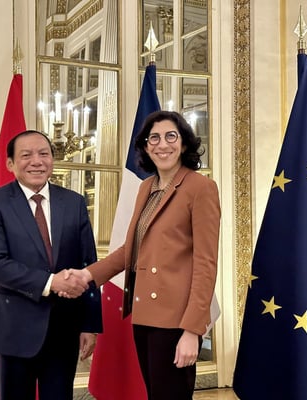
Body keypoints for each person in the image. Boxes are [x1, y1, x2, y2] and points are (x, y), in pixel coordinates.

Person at [66, 110, 221, 400]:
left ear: (184, 143)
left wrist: (192, 330)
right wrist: (87, 275)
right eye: (154, 138)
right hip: (144, 315)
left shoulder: (201, 188)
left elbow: (206, 263)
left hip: (176, 320)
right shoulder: (147, 187)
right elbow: (131, 249)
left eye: (171, 136)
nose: (163, 144)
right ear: (146, 147)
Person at [0, 129, 102, 400]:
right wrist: (50, 282)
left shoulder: (74, 202)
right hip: (14, 330)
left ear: (52, 160)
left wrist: (89, 325)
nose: (37, 161)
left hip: (64, 331)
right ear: (10, 163)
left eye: (44, 154)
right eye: (26, 155)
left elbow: (88, 264)